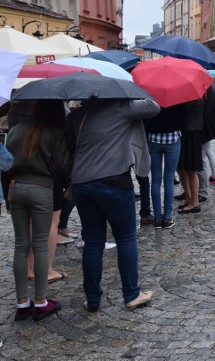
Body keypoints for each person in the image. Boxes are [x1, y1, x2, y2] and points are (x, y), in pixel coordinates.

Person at [68, 96, 160, 312]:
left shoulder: (76, 116)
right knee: (126, 238)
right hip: (114, 182)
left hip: (82, 183)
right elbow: (153, 106)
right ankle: (131, 294)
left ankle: (92, 299)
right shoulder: (121, 108)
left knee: (92, 242)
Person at [6, 100, 71, 321]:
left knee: (21, 245)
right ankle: (41, 301)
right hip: (42, 188)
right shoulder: (54, 131)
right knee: (40, 244)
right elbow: (63, 167)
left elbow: (5, 163)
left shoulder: (16, 129)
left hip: (16, 188)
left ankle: (22, 303)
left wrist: (7, 195)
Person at [175, 99, 204, 214]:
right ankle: (189, 197)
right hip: (188, 131)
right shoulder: (192, 93)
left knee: (191, 169)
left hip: (191, 132)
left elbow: (185, 113)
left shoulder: (192, 96)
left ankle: (194, 202)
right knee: (182, 168)